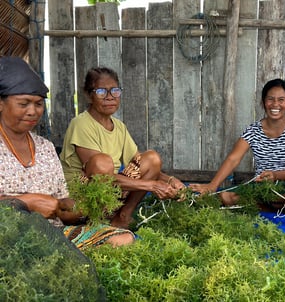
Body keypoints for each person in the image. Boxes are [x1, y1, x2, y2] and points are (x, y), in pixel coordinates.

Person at [0, 56, 135, 249]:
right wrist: (27, 202)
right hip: (8, 236)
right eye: (23, 104)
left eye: (38, 104)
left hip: (52, 233)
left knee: (122, 239)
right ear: (1, 104)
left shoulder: (45, 147)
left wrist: (75, 209)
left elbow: (62, 203)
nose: (32, 111)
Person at [60, 67, 185, 229]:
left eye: (115, 91)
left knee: (152, 159)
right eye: (101, 92)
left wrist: (169, 180)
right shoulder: (81, 124)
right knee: (102, 162)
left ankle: (123, 217)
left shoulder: (119, 127)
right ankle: (95, 221)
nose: (110, 97)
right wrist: (151, 186)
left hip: (109, 192)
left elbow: (143, 165)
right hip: (82, 196)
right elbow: (99, 176)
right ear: (89, 95)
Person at [189, 78, 285, 206]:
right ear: (263, 102)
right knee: (224, 196)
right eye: (270, 99)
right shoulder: (253, 130)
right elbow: (233, 159)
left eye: (281, 100)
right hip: (261, 187)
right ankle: (269, 205)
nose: (275, 104)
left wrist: (275, 175)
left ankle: (273, 203)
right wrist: (212, 186)